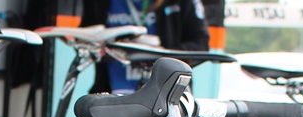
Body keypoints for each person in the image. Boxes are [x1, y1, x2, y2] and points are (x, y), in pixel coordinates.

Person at [73, 0, 211, 94]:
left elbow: (201, 43)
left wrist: (159, 55)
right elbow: (84, 37)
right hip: (111, 98)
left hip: (164, 99)